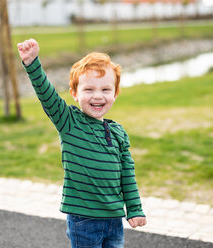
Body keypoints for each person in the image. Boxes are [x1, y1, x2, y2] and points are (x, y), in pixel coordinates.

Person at [17, 39, 146, 248]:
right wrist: (32, 63)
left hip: (114, 219)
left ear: (115, 93)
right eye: (89, 90)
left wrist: (135, 208)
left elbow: (127, 174)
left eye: (105, 89)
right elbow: (46, 95)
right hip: (84, 221)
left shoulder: (119, 133)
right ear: (75, 94)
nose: (97, 96)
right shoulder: (69, 122)